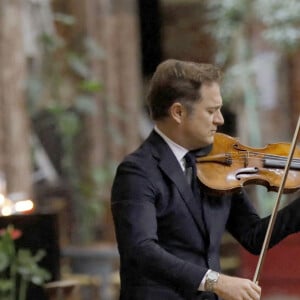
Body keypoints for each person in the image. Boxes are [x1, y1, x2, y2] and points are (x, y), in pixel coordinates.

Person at [111, 59, 300, 300]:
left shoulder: (223, 165)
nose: (220, 120)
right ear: (178, 112)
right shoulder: (137, 171)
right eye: (211, 111)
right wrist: (215, 281)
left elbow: (254, 236)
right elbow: (141, 249)